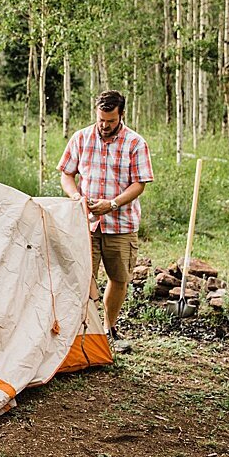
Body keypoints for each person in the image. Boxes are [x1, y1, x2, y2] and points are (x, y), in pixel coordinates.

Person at [58, 90, 154, 353]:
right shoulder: (81, 138)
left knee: (119, 277)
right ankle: (78, 333)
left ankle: (110, 328)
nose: (104, 125)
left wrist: (111, 204)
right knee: (80, 277)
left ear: (121, 115)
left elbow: (139, 184)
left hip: (121, 224)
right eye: (101, 119)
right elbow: (67, 174)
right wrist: (76, 195)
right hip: (85, 224)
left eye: (110, 121)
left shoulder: (135, 143)